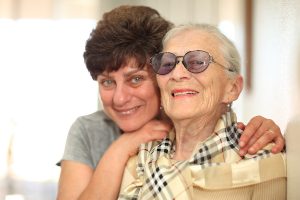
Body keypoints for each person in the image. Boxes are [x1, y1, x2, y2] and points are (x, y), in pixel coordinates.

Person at [56, 5, 285, 200]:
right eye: (107, 82)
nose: (120, 98)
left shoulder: (238, 147)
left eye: (136, 79)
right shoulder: (93, 132)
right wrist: (123, 146)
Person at [118, 23, 287, 199]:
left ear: (232, 88)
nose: (177, 74)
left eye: (198, 62)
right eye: (168, 63)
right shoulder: (139, 160)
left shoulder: (264, 159)